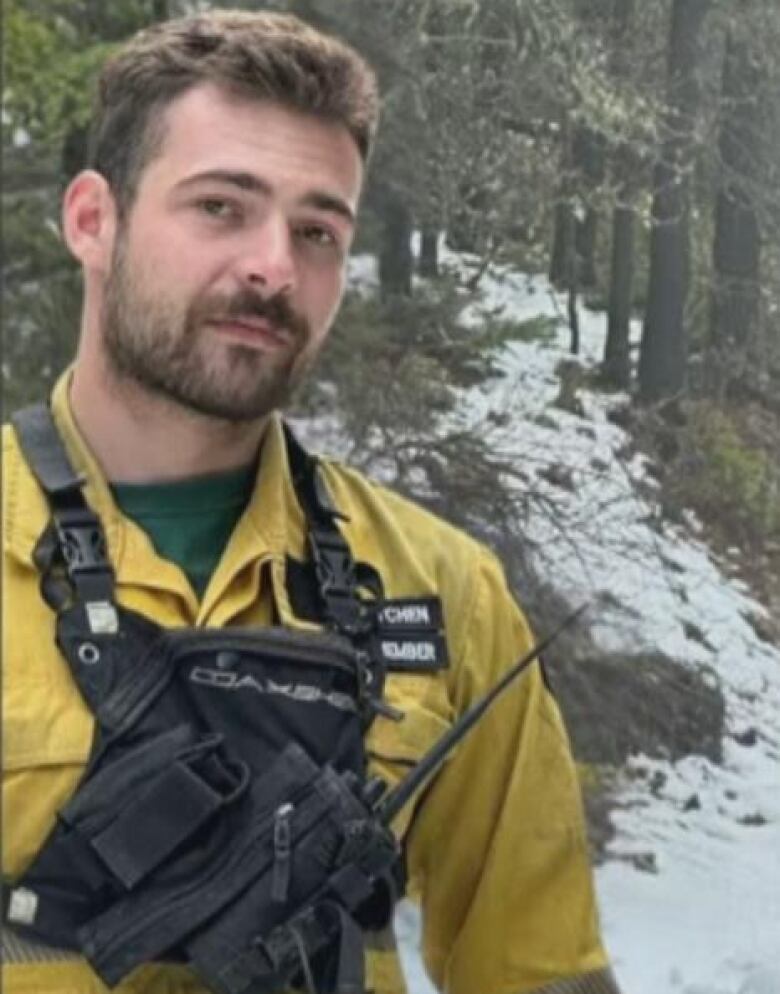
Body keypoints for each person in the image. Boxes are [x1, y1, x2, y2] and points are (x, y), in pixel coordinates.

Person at [1, 10, 621, 994]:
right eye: (220, 206)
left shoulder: (444, 591)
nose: (273, 266)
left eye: (317, 229)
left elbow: (538, 973)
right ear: (93, 220)